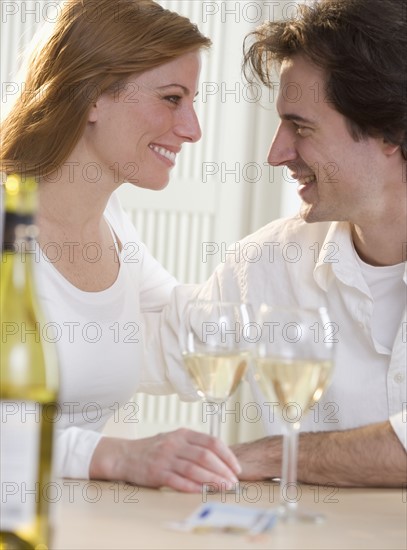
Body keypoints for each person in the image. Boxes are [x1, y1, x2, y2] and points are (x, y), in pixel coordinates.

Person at [161, 0, 406, 487]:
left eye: (301, 126)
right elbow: (145, 353)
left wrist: (274, 456)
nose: (277, 153)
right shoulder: (267, 264)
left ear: (391, 134)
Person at [0, 0, 241, 493]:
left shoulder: (112, 225)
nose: (192, 129)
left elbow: (190, 335)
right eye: (172, 98)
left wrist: (314, 235)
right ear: (92, 95)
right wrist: (119, 456)